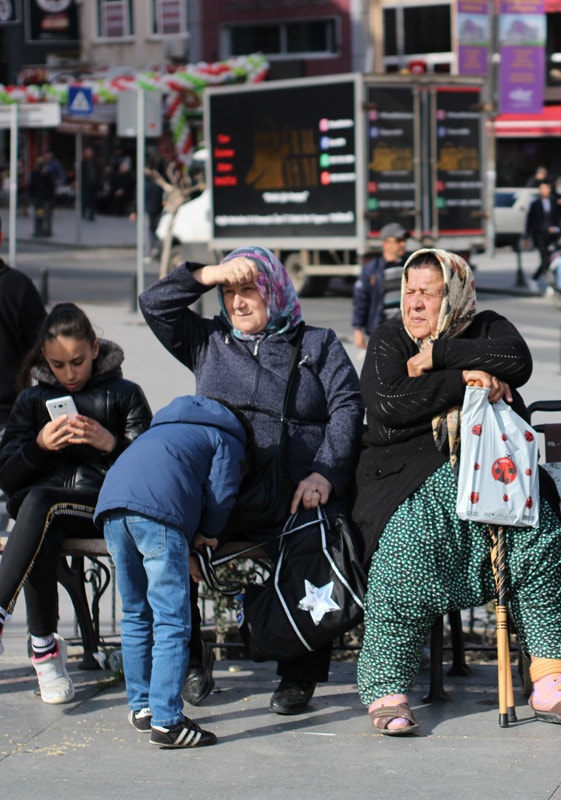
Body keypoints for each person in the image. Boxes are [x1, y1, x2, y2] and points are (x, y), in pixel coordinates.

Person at [351, 248, 561, 735]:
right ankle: (388, 690)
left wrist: (440, 357)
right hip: (409, 484)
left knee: (537, 543)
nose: (415, 304)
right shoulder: (388, 338)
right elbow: (388, 404)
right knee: (406, 551)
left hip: (499, 476)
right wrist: (465, 379)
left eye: (429, 292)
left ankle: (553, 682)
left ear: (455, 294)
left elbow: (517, 361)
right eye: (409, 291)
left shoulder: (486, 327)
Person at [139, 246, 364, 716]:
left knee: (313, 539)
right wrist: (208, 273)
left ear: (274, 291)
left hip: (296, 492)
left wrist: (326, 471)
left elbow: (347, 406)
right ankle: (189, 654)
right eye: (228, 292)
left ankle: (298, 674)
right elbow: (154, 304)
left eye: (248, 290)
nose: (238, 302)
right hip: (224, 492)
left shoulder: (318, 343)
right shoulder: (208, 342)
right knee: (167, 539)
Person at [0, 303, 152, 705]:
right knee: (42, 519)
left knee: (40, 505)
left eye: (77, 361)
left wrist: (110, 444)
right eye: (57, 365)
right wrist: (40, 447)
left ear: (94, 348)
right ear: (44, 360)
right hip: (49, 514)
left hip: (105, 509)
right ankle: (45, 653)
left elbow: (151, 471)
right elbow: (6, 477)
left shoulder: (124, 395)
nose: (69, 374)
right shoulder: (31, 400)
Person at [95, 395, 252, 749]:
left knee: (136, 613)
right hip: (158, 515)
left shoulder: (161, 430)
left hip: (110, 510)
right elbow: (222, 492)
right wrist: (208, 532)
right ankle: (168, 721)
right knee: (172, 620)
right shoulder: (225, 435)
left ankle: (142, 707)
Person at [0, 202, 45, 611]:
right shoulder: (17, 287)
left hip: (0, 411)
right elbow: (43, 350)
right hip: (2, 414)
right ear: (0, 238)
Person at [352, 222, 408, 350]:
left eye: (404, 240)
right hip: (381, 329)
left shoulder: (411, 265)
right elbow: (361, 300)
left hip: (407, 331)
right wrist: (357, 328)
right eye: (398, 241)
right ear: (385, 244)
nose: (403, 244)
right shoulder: (372, 269)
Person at [524, 182, 561, 284]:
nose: (546, 190)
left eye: (548, 188)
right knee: (545, 257)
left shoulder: (555, 202)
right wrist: (527, 235)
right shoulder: (535, 203)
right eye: (544, 188)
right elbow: (530, 220)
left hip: (553, 234)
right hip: (540, 234)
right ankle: (539, 277)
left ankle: (541, 277)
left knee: (551, 257)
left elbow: (559, 217)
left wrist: (557, 228)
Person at [28, 155, 55, 238]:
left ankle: (46, 230)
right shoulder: (35, 173)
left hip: (45, 198)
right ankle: (39, 230)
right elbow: (32, 185)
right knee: (40, 215)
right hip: (39, 198)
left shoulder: (47, 174)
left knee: (45, 215)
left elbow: (51, 185)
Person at [79, 147, 99, 222]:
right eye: (87, 152)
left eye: (89, 152)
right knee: (85, 199)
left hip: (94, 184)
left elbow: (99, 172)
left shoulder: (95, 162)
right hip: (85, 184)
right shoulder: (83, 162)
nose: (88, 154)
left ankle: (91, 214)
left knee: (93, 200)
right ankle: (83, 213)